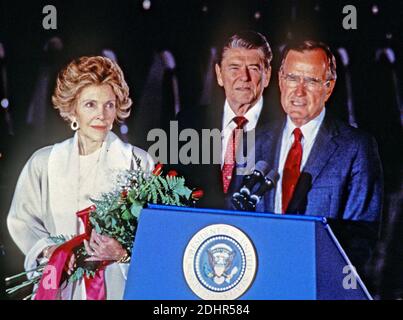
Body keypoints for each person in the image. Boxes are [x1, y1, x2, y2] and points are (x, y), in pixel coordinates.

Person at [7, 56, 154, 300]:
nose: (102, 115)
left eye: (109, 105)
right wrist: (50, 250)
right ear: (72, 108)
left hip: (118, 288)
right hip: (59, 286)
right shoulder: (43, 162)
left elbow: (155, 234)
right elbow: (21, 220)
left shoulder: (139, 163)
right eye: (90, 105)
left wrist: (123, 253)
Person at [254, 40, 383, 282]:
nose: (299, 91)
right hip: (261, 280)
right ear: (280, 80)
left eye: (311, 81)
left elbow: (361, 238)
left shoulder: (355, 147)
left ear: (329, 86)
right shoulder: (256, 142)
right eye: (292, 78)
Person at [176, 31, 273, 208]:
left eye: (253, 68)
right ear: (219, 74)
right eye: (234, 67)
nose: (244, 77)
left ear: (267, 74)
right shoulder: (188, 123)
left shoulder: (283, 129)